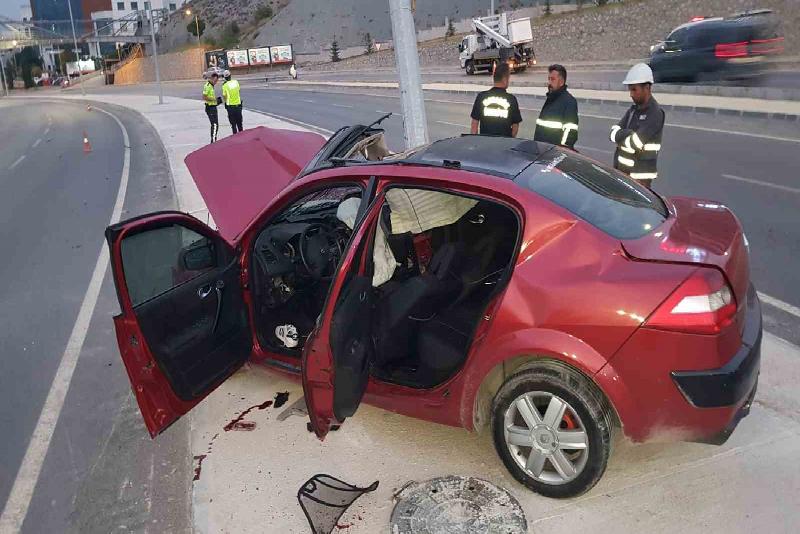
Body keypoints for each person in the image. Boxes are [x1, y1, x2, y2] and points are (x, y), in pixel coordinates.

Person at [609, 63, 665, 189]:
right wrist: (627, 133)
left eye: (634, 89)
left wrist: (621, 135)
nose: (631, 94)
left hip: (640, 179)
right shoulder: (633, 110)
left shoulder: (655, 113)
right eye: (630, 89)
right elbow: (612, 134)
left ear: (647, 88)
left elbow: (635, 143)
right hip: (623, 173)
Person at [470, 62, 522, 137]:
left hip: (485, 144)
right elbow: (515, 127)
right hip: (502, 145)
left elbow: (474, 125)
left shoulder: (481, 97)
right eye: (508, 78)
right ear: (504, 79)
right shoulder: (511, 99)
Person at [534, 64, 579, 149]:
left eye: (553, 79)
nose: (549, 83)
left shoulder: (569, 101)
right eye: (549, 79)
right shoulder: (551, 98)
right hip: (542, 152)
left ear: (561, 82)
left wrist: (561, 152)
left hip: (554, 155)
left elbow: (570, 132)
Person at [222, 70, 244, 134]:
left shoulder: (225, 85)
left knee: (233, 125)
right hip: (238, 106)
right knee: (240, 125)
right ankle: (242, 138)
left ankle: (235, 139)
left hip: (230, 107)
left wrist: (226, 102)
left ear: (224, 77)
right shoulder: (236, 82)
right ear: (230, 76)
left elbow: (224, 96)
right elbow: (239, 91)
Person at [203, 72, 221, 143]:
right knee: (214, 124)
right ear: (212, 78)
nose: (216, 82)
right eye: (215, 81)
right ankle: (213, 141)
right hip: (210, 108)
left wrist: (216, 101)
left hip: (213, 106)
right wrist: (214, 99)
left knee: (215, 124)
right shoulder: (207, 86)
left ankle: (213, 139)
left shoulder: (211, 85)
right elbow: (204, 97)